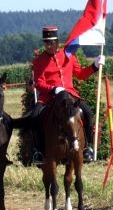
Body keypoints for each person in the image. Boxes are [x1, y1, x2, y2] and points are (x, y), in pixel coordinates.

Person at [30, 26, 105, 164]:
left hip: (70, 95)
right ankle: (38, 151)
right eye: (46, 42)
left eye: (51, 42)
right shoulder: (39, 61)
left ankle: (87, 147)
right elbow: (39, 83)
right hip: (49, 97)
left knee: (87, 112)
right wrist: (54, 89)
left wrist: (95, 65)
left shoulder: (68, 56)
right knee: (35, 116)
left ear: (57, 42)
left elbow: (81, 74)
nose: (49, 45)